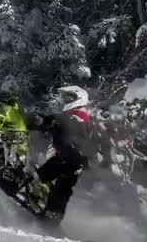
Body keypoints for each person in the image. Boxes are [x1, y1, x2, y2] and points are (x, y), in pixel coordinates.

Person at [25, 85, 92, 225]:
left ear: (79, 99)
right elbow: (55, 121)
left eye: (69, 98)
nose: (66, 100)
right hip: (64, 157)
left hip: (74, 160)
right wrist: (38, 122)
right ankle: (39, 201)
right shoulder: (69, 115)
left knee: (62, 187)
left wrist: (51, 123)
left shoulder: (80, 115)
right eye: (66, 97)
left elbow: (68, 124)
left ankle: (53, 216)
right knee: (40, 176)